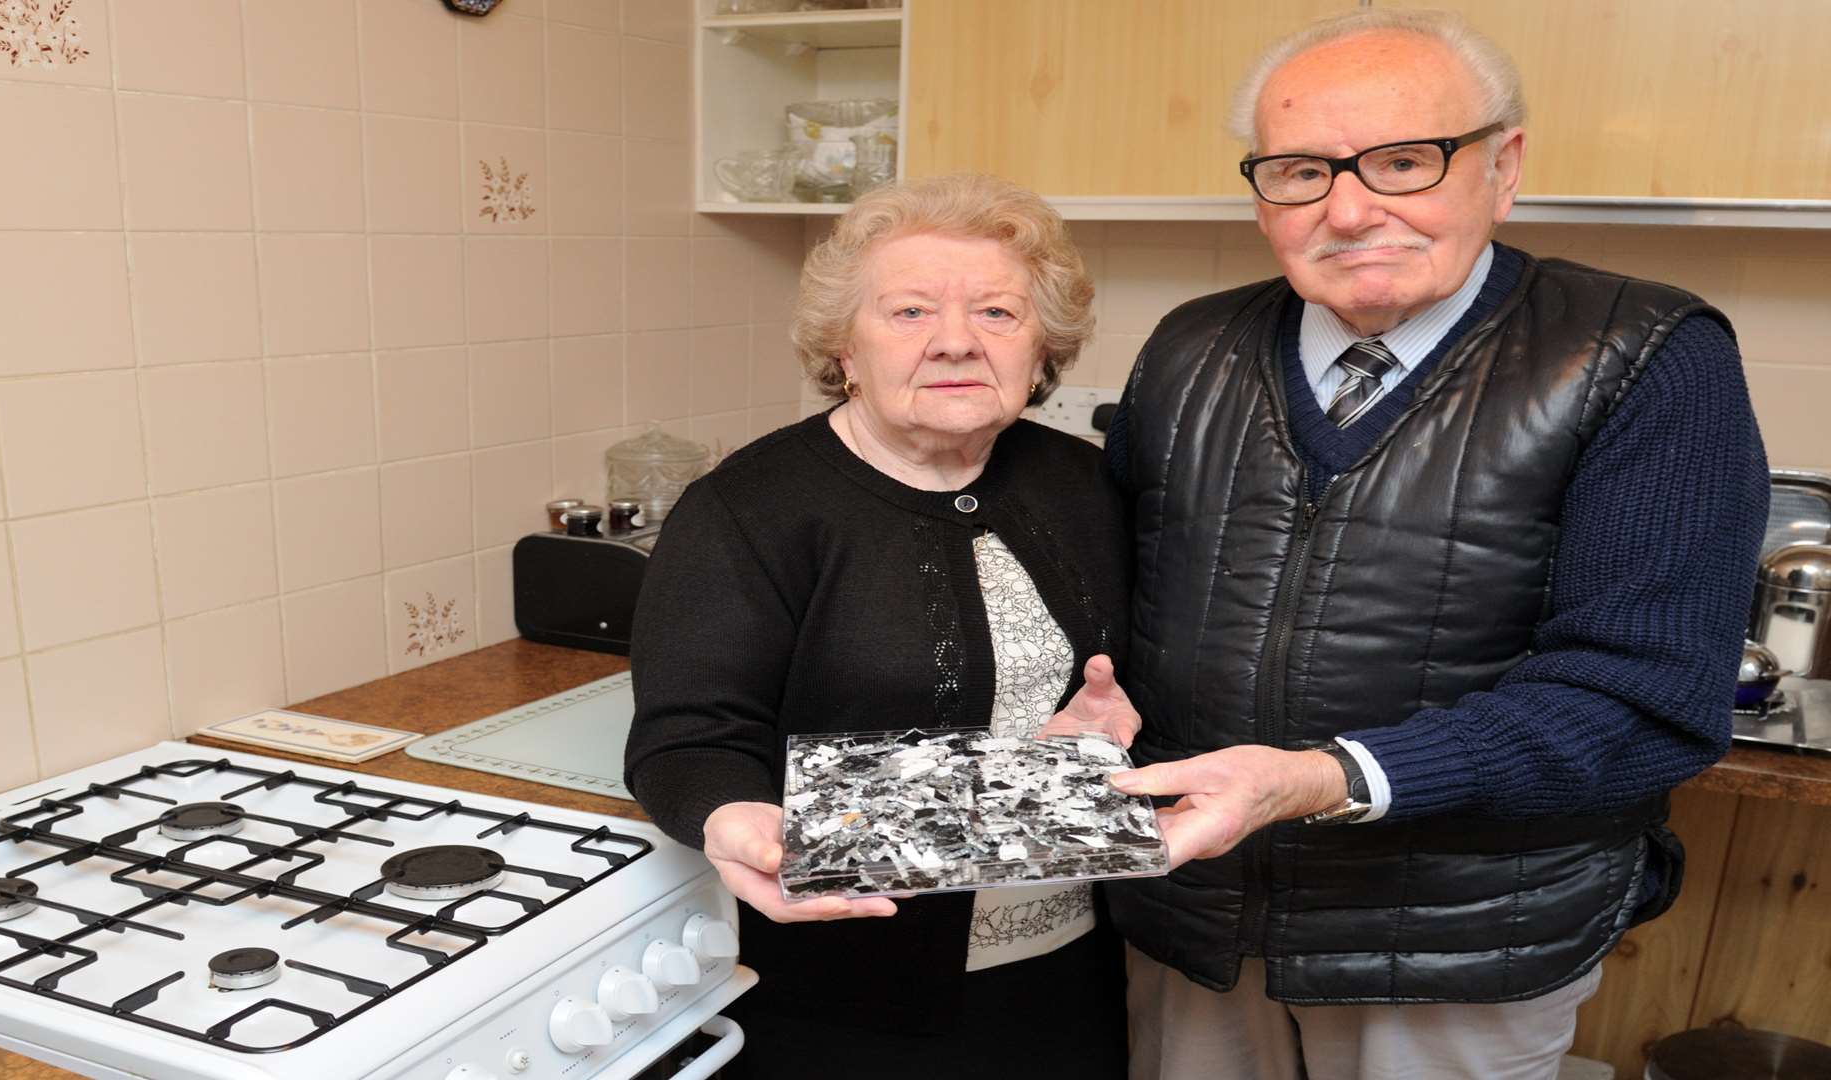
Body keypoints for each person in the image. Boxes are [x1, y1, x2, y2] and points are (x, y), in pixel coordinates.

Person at [1097, 9, 1769, 1080]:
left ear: (1502, 168)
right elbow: (1115, 605)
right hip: (1194, 917)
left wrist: (1321, 778)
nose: (1351, 209)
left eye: (1405, 162)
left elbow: (1644, 704)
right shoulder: (1190, 347)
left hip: (1461, 942)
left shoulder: (1643, 356)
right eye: (1301, 171)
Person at [624, 173, 1139, 1079]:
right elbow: (689, 737)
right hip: (851, 986)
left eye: (996, 314)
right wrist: (729, 812)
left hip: (1070, 957)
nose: (955, 342)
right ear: (843, 349)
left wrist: (1095, 742)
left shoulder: (1080, 481)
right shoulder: (748, 509)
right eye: (908, 313)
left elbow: (1118, 684)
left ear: (1041, 347)